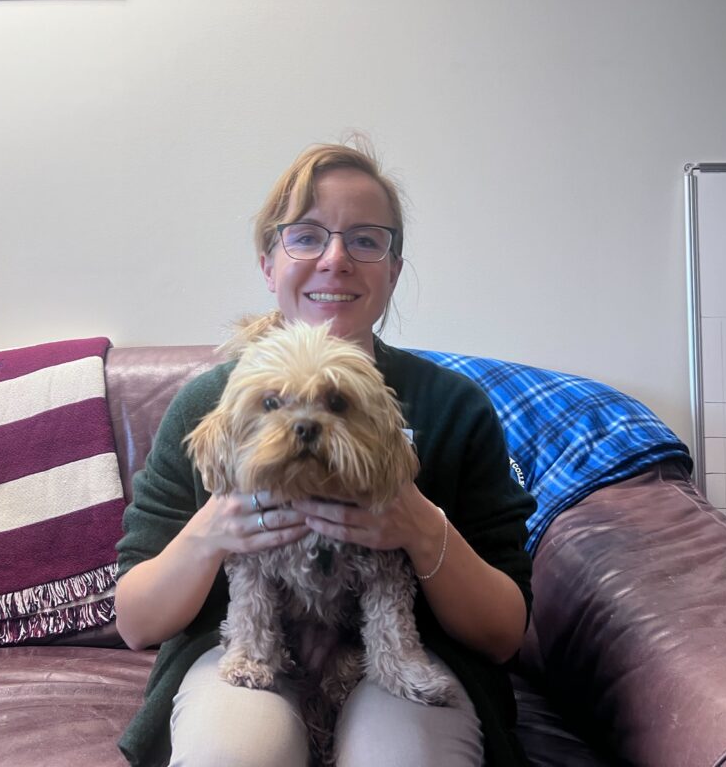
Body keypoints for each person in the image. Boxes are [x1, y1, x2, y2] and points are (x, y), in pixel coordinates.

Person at [114, 140, 534, 767]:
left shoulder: (452, 406)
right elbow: (136, 622)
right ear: (268, 262)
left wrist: (421, 529)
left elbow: (504, 635)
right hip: (248, 651)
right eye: (306, 236)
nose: (335, 259)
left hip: (400, 658)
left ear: (394, 269)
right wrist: (214, 532)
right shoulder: (210, 401)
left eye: (366, 240)